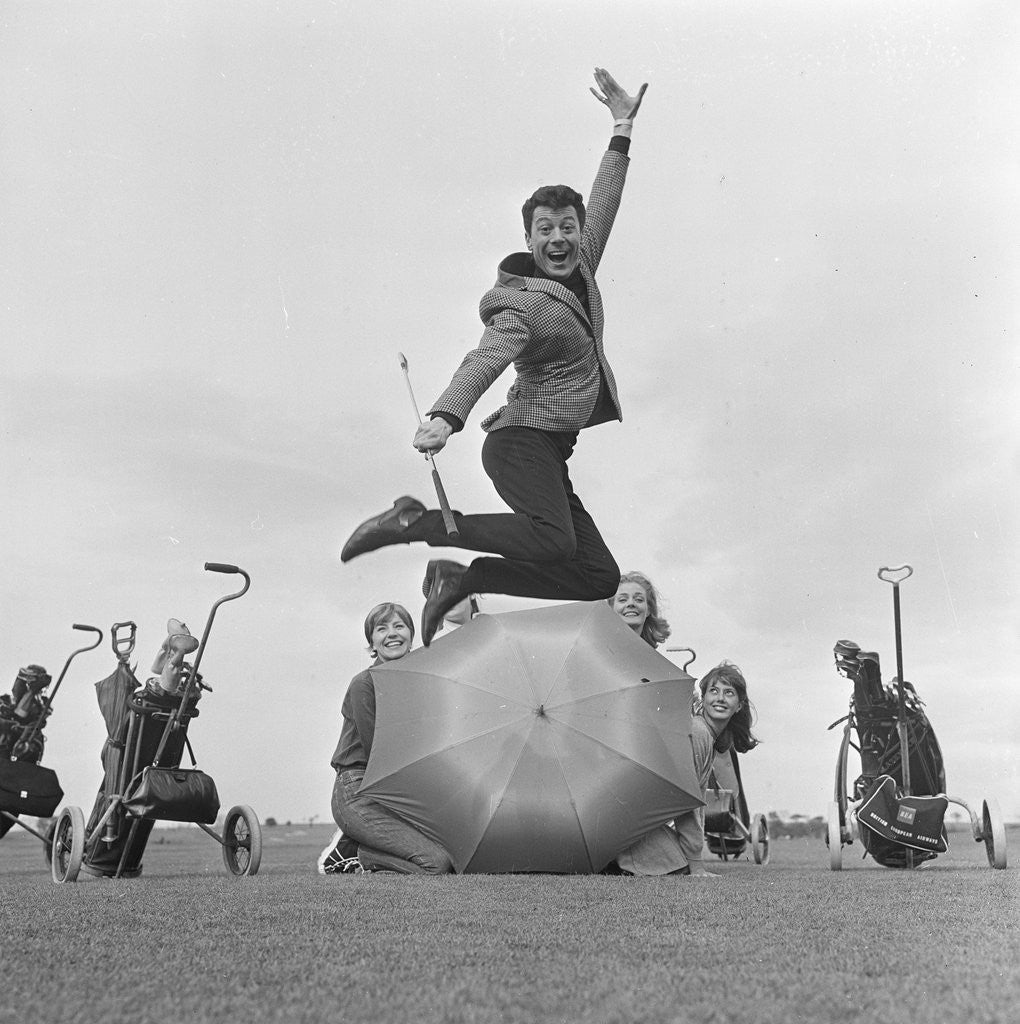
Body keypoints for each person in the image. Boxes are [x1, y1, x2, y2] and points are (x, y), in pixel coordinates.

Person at [341, 67, 649, 646]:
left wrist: (622, 128)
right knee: (555, 542)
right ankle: (420, 522)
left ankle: (471, 578)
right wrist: (444, 416)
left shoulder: (581, 269)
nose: (558, 239)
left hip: (552, 453)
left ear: (579, 233)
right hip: (519, 443)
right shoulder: (518, 303)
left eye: (567, 228)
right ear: (529, 239)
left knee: (597, 575)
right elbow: (485, 358)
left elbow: (605, 201)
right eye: (545, 230)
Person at [322, 602, 454, 875]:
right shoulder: (364, 684)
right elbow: (378, 754)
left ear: (410, 634)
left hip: (396, 786)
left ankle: (363, 843)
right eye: (382, 629)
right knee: (436, 864)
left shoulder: (417, 682)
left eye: (399, 626)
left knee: (453, 852)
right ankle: (361, 855)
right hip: (358, 788)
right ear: (372, 641)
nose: (391, 634)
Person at [608, 571, 671, 648]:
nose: (631, 603)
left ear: (649, 610)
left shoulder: (651, 658)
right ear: (611, 609)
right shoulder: (596, 650)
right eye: (622, 600)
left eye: (639, 599)